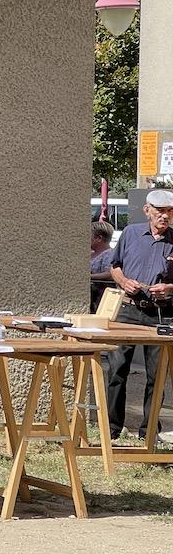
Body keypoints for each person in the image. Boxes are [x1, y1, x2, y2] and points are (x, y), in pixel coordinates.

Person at [108, 189, 173, 443]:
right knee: (116, 369)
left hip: (161, 314)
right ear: (147, 211)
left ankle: (149, 433)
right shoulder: (131, 233)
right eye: (160, 212)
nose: (165, 217)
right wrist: (124, 282)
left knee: (155, 376)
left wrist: (168, 288)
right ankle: (112, 429)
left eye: (169, 212)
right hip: (128, 310)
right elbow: (114, 267)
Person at [90, 220, 115, 311]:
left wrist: (89, 277)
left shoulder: (109, 254)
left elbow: (110, 274)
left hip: (101, 297)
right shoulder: (90, 253)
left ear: (99, 238)